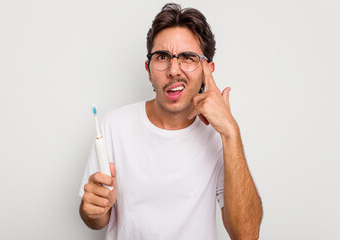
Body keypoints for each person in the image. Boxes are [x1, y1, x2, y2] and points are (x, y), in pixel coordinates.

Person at [79, 3, 262, 240]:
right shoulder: (114, 126)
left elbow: (246, 235)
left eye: (187, 57)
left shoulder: (220, 136)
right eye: (162, 57)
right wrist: (95, 210)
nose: (174, 70)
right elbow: (95, 220)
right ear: (148, 69)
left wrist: (230, 131)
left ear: (208, 69)